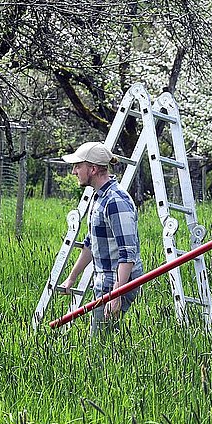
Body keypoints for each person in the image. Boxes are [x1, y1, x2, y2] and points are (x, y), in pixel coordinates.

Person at [58, 141, 143, 336]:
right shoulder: (99, 198)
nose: (74, 171)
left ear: (93, 169)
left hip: (117, 283)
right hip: (105, 281)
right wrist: (71, 279)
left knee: (100, 346)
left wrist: (116, 294)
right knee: (103, 343)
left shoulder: (115, 201)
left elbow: (127, 253)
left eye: (78, 166)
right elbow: (91, 243)